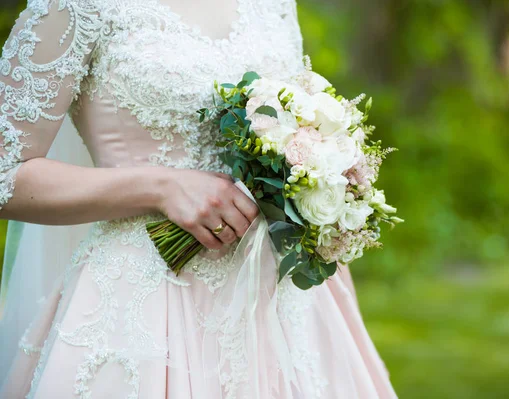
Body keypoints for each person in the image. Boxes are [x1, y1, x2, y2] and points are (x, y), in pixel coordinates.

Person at [0, 0, 397, 397]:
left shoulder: (274, 6)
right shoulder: (77, 6)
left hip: (283, 305)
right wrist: (160, 187)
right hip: (148, 299)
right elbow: (5, 174)